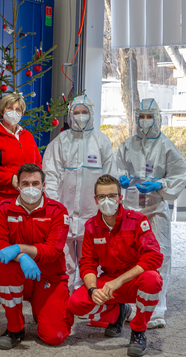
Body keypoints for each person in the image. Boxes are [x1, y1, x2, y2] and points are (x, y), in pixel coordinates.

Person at [67, 175, 163, 357]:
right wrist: (92, 289)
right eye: (102, 197)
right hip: (109, 282)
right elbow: (87, 263)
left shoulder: (138, 221)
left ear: (120, 198)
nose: (107, 201)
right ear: (95, 200)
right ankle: (119, 312)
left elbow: (154, 257)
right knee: (75, 303)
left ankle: (138, 332)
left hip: (135, 280)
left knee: (153, 279)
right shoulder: (91, 227)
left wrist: (119, 281)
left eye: (112, 196)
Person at [116, 98, 186, 329]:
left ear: (157, 118)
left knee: (160, 256)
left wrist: (161, 185)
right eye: (142, 116)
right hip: (131, 209)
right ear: (136, 118)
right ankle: (132, 304)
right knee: (131, 256)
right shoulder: (128, 145)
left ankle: (156, 310)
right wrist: (122, 180)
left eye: (149, 116)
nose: (145, 121)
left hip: (155, 209)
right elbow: (116, 169)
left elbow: (180, 174)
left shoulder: (166, 146)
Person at [0, 164, 73, 350]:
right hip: (18, 273)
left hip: (50, 278)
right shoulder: (3, 209)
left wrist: (19, 248)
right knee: (3, 266)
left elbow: (53, 250)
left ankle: (41, 308)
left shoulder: (58, 211)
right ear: (17, 186)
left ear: (44, 186)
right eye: (25, 183)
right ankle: (14, 329)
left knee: (55, 336)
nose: (30, 188)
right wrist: (22, 258)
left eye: (35, 183)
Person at [42, 94, 117, 292]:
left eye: (84, 113)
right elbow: (50, 175)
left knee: (90, 262)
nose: (80, 116)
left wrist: (107, 207)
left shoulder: (102, 141)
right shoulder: (61, 141)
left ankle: (86, 300)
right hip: (63, 214)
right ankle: (62, 300)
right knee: (63, 261)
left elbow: (110, 177)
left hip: (92, 215)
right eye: (77, 113)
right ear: (70, 115)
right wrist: (54, 207)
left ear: (91, 114)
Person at [0, 94, 42, 217]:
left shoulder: (27, 136)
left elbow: (37, 163)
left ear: (22, 113)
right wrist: (10, 178)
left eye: (17, 109)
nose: (14, 112)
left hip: (28, 196)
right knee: (2, 234)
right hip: (3, 197)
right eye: (9, 108)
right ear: (2, 111)